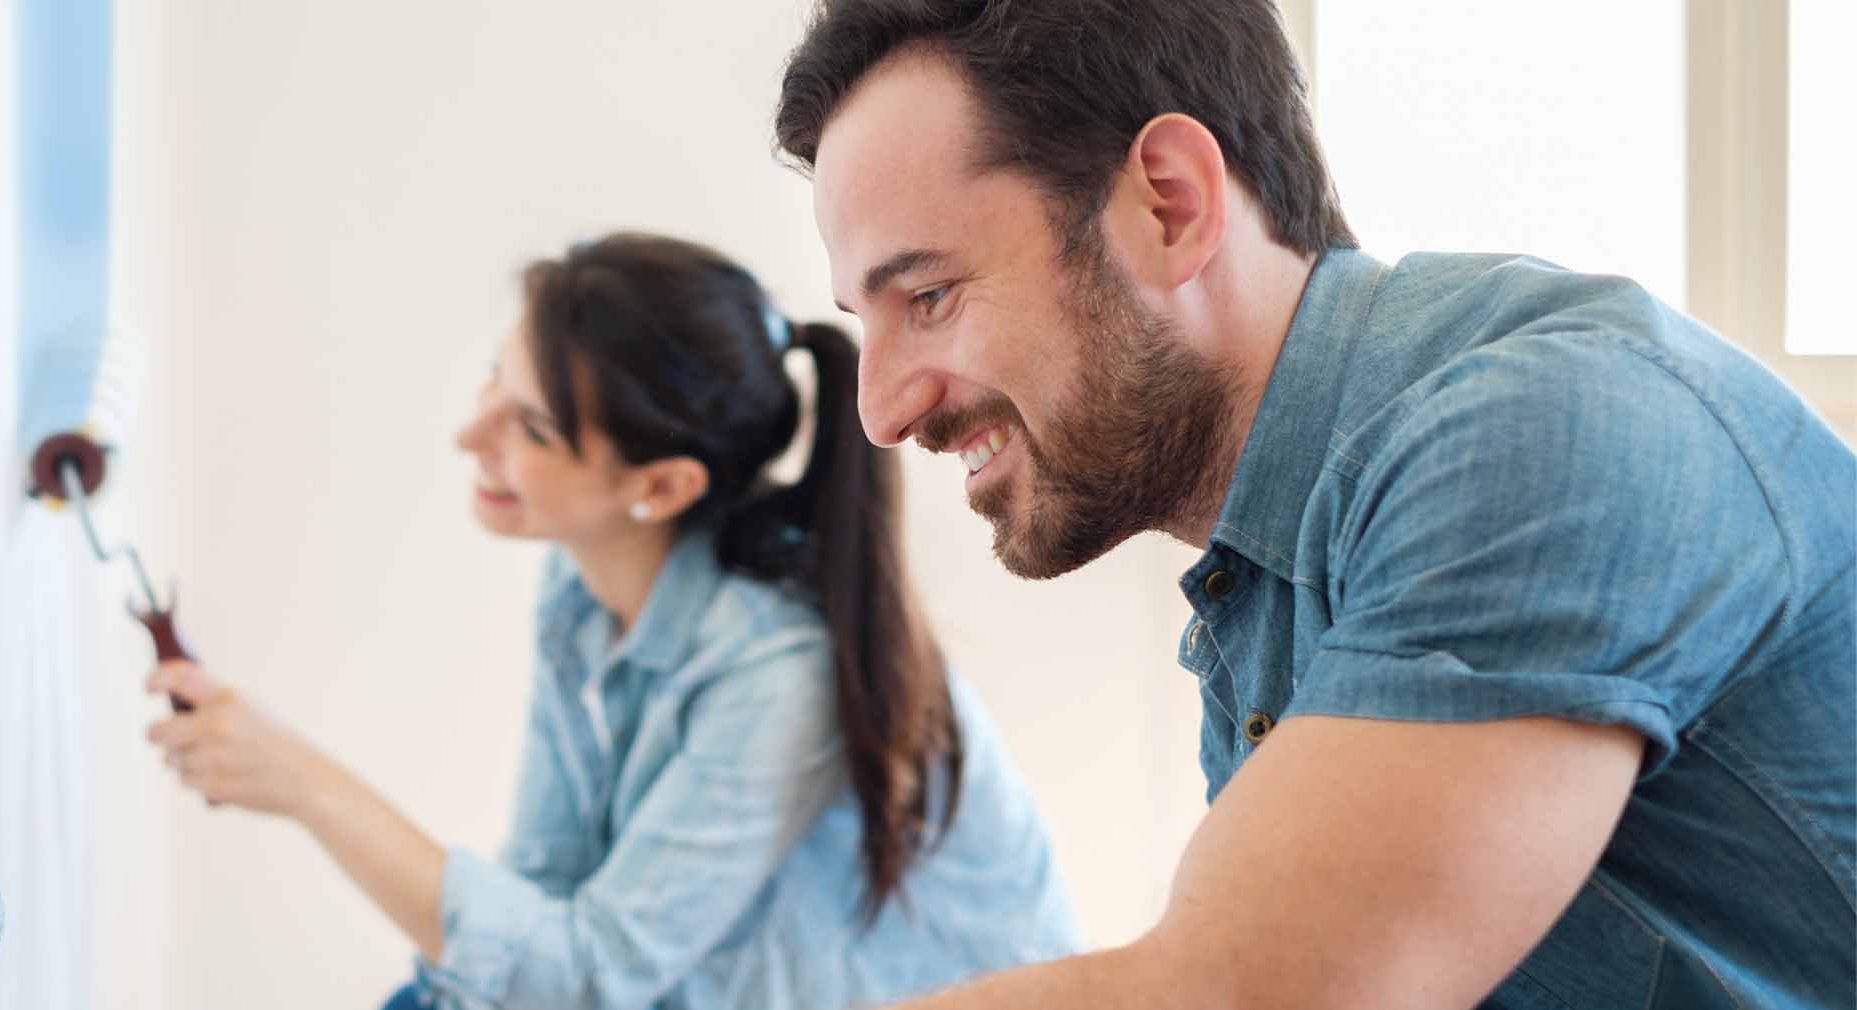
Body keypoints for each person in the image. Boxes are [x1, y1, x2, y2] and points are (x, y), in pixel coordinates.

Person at [773, 1, 1856, 1007]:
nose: (879, 408)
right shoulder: (1267, 586)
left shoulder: (1538, 428)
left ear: (1170, 204)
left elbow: (1240, 992)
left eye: (929, 296)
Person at [144, 233, 1082, 1009]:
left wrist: (306, 787)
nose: (472, 437)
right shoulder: (581, 592)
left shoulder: (777, 675)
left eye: (533, 429)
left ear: (661, 487)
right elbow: (547, 890)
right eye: (492, 384)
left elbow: (585, 979)